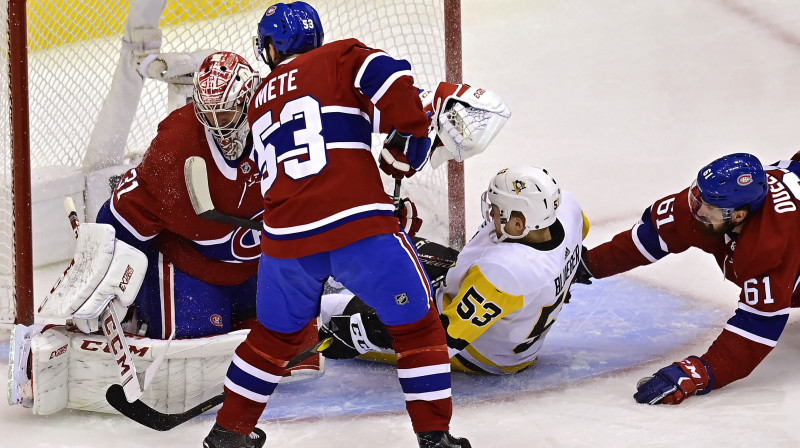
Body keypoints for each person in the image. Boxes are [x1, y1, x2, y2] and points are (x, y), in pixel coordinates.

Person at [202, 2, 472, 447]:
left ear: (271, 47)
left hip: (285, 241)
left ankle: (229, 432)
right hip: (357, 228)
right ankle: (434, 436)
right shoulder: (340, 56)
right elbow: (394, 79)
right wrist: (413, 133)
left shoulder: (257, 101)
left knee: (272, 338)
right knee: (417, 327)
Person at [8, 51, 320, 416]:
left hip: (260, 266)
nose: (219, 128)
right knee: (193, 360)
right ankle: (137, 311)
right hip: (191, 264)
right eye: (210, 116)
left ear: (250, 98)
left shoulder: (286, 129)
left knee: (298, 352)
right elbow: (122, 215)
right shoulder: (177, 148)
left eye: (227, 114)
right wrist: (99, 277)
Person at [576, 152, 800, 405]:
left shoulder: (770, 247)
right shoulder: (709, 203)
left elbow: (756, 329)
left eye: (710, 208)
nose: (698, 210)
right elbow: (654, 235)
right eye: (699, 197)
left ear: (738, 216)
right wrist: (589, 264)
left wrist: (699, 372)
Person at [319, 166, 589, 375]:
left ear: (518, 224)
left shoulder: (506, 273)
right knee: (384, 247)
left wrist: (364, 333)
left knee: (327, 311)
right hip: (475, 300)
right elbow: (574, 249)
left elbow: (443, 340)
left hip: (477, 352)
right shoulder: (566, 209)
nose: (490, 213)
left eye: (496, 210)